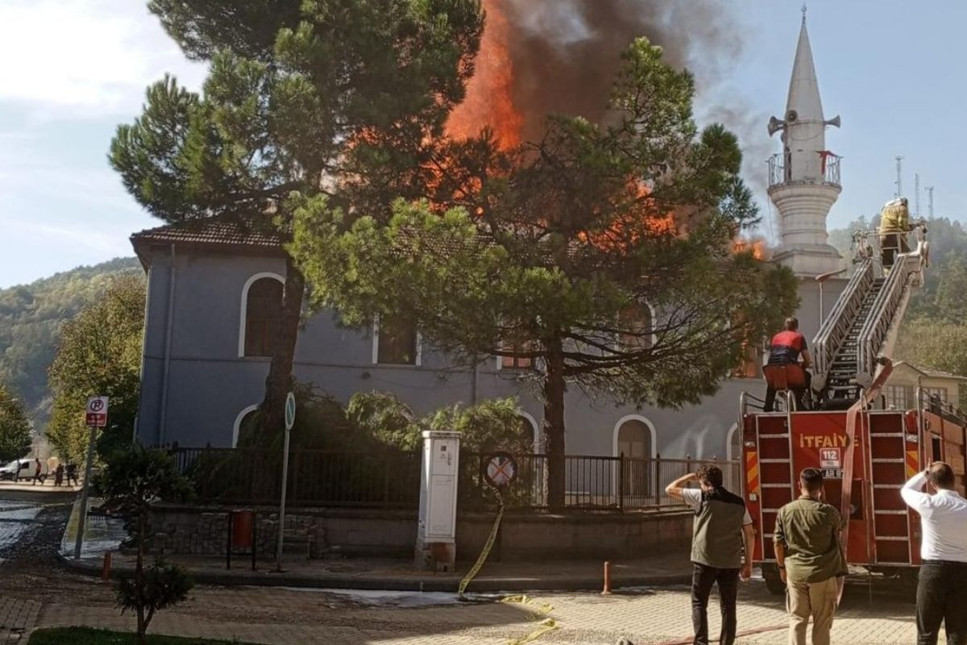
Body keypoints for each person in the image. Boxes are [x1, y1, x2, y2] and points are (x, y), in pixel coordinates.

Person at [666, 465, 754, 645]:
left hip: (704, 560)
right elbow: (750, 532)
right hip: (731, 561)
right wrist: (748, 563)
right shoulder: (739, 503)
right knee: (728, 607)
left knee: (699, 603)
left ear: (705, 483)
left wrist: (688, 477)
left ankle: (701, 642)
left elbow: (669, 489)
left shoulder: (701, 496)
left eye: (700, 483)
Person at [774, 468, 847, 645]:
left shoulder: (785, 511)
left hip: (795, 573)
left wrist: (782, 567)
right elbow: (840, 527)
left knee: (797, 620)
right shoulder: (828, 512)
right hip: (823, 574)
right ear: (821, 488)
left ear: (799, 485)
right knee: (822, 623)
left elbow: (777, 542)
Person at [900, 462, 967, 645]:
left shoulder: (929, 503)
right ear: (954, 481)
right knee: (958, 633)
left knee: (927, 633)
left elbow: (906, 490)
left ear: (932, 484)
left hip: (933, 572)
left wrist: (924, 473)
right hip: (962, 573)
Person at [763, 317, 813, 412]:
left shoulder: (776, 337)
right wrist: (803, 366)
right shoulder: (799, 337)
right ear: (797, 326)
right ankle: (798, 403)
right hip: (790, 370)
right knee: (806, 377)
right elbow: (807, 359)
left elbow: (777, 355)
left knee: (772, 384)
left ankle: (768, 406)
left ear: (785, 326)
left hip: (772, 370)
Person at [879, 197, 913, 272]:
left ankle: (888, 275)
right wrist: (909, 228)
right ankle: (906, 272)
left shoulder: (886, 209)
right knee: (906, 254)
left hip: (883, 236)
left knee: (887, 259)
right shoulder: (902, 208)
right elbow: (902, 223)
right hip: (895, 235)